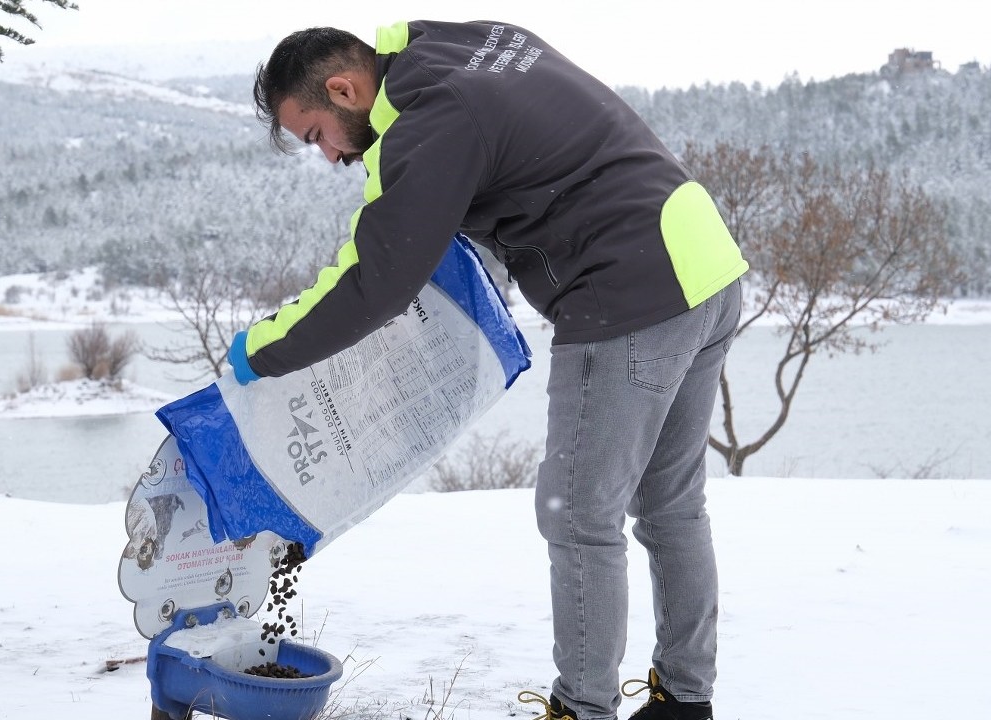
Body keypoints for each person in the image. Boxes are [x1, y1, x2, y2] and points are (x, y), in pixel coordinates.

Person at [228, 20, 747, 720]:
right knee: (670, 505)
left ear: (343, 87)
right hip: (702, 260)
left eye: (316, 132)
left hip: (628, 288)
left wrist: (262, 349)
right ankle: (686, 700)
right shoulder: (463, 45)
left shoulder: (431, 121)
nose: (327, 155)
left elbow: (378, 279)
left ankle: (582, 708)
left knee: (578, 513)